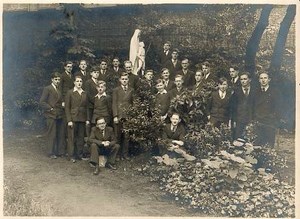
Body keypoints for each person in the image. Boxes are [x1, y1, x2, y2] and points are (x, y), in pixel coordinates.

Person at [39, 72, 64, 158]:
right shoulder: (47, 88)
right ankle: (50, 152)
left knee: (58, 133)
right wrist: (50, 108)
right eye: (56, 79)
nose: (57, 81)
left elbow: (59, 102)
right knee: (51, 134)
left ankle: (58, 152)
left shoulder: (59, 90)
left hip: (59, 114)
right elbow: (42, 102)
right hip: (50, 115)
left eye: (59, 79)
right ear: (52, 79)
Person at [65, 75, 89, 163]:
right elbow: (67, 107)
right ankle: (71, 155)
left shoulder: (84, 93)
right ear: (74, 82)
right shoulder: (70, 92)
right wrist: (69, 120)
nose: (79, 83)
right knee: (72, 137)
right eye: (77, 81)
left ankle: (79, 154)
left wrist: (87, 119)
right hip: (73, 118)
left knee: (81, 137)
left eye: (80, 81)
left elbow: (86, 107)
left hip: (82, 118)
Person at [253, 72, 281, 147]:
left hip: (270, 122)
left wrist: (275, 119)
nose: (263, 80)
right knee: (257, 145)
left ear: (269, 80)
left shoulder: (275, 92)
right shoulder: (255, 92)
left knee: (268, 146)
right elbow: (252, 106)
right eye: (261, 78)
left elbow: (278, 108)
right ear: (259, 80)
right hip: (258, 122)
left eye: (265, 78)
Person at [112, 72, 134, 160]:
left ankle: (125, 154)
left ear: (128, 80)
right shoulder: (116, 90)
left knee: (126, 136)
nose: (124, 81)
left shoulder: (131, 90)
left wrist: (132, 115)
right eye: (123, 79)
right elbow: (114, 103)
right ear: (120, 80)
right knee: (117, 136)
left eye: (126, 79)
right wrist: (115, 116)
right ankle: (117, 155)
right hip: (119, 116)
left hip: (128, 116)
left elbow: (133, 103)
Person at [231, 72, 254, 140]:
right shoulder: (236, 91)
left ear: (249, 79)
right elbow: (233, 107)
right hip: (239, 120)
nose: (243, 81)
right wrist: (234, 120)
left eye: (245, 79)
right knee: (238, 140)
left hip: (251, 119)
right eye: (241, 79)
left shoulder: (254, 91)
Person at [85, 66, 100, 135]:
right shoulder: (88, 82)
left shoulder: (99, 82)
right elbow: (88, 95)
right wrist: (96, 102)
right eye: (94, 72)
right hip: (91, 105)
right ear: (91, 73)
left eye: (97, 72)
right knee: (90, 123)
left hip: (98, 106)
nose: (96, 74)